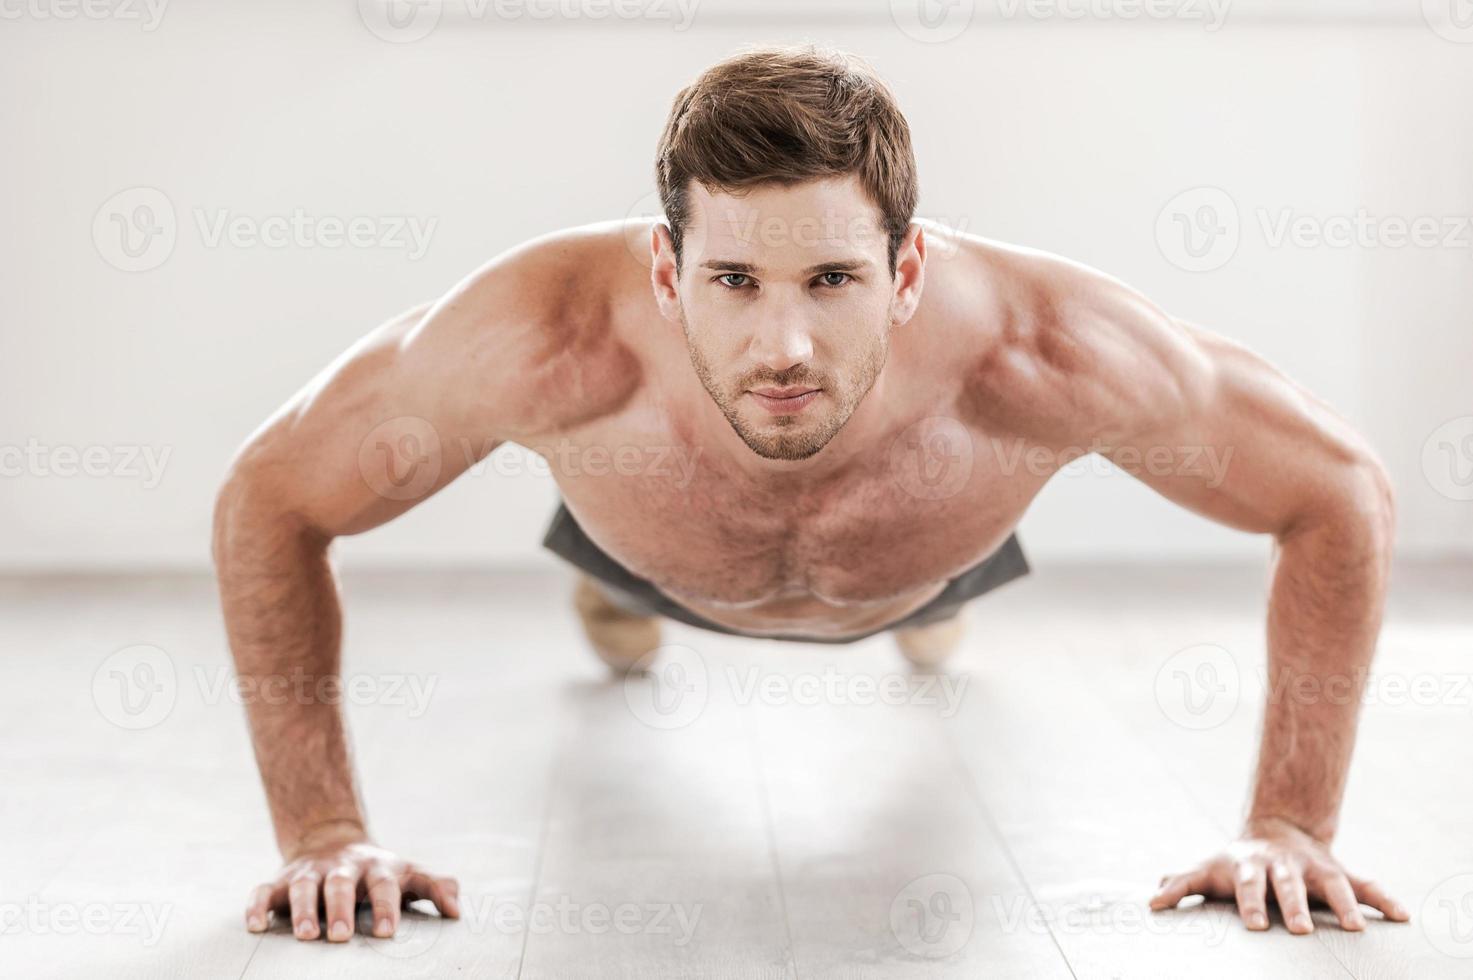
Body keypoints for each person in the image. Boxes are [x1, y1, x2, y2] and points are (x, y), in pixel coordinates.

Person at [211, 43, 1408, 945]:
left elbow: (1336, 489)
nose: (783, 342)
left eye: (832, 275)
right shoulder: (544, 341)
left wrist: (1290, 822)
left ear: (906, 269)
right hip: (644, 549)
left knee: (929, 603)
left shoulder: (1042, 355)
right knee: (620, 614)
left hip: (928, 549)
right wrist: (325, 833)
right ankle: (614, 596)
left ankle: (934, 606)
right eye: (734, 278)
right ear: (669, 275)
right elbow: (270, 496)